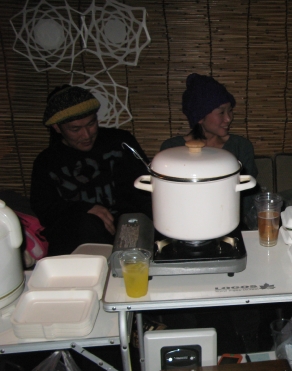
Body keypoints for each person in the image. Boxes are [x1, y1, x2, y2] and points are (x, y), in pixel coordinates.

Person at [30, 85, 152, 256]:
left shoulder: (121, 142)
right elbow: (44, 209)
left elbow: (145, 189)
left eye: (91, 124)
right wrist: (83, 209)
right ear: (57, 128)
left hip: (128, 228)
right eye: (75, 129)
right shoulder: (47, 161)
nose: (86, 135)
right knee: (87, 223)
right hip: (76, 238)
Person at [161, 73, 259, 227]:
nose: (229, 118)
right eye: (221, 112)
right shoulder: (172, 150)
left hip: (230, 223)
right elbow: (168, 199)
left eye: (230, 111)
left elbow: (247, 197)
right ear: (200, 117)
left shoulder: (240, 146)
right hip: (183, 224)